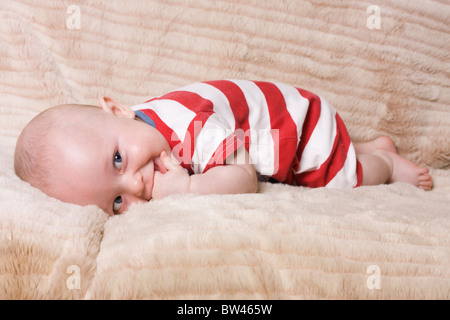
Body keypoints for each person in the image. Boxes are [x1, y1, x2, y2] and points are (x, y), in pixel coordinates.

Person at [14, 80, 432, 216]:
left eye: (119, 160)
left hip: (303, 131)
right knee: (340, 153)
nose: (138, 185)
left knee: (344, 176)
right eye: (117, 201)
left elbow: (244, 176)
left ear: (119, 110)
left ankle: (383, 159)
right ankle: (359, 146)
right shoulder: (144, 126)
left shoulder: (192, 128)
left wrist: (188, 190)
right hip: (282, 124)